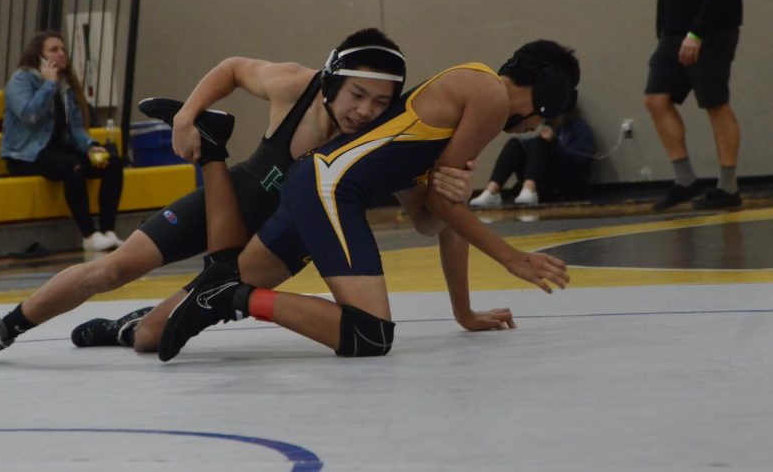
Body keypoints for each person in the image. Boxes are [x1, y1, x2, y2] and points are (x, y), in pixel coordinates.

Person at [0, 28, 476, 367]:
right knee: (114, 267)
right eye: (358, 95)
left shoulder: (382, 142)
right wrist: (189, 115)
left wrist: (443, 193)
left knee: (152, 340)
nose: (365, 111)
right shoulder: (296, 85)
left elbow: (427, 225)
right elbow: (234, 68)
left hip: (275, 247)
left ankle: (131, 324)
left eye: (381, 103)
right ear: (332, 80)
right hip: (234, 197)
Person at [148, 39, 579, 362]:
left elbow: (437, 220)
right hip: (328, 188)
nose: (534, 128)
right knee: (369, 334)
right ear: (548, 95)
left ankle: (139, 324)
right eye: (547, 115)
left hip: (316, 185)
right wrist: (511, 258)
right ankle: (233, 297)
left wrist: (463, 312)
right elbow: (446, 210)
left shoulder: (463, 101)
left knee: (166, 323)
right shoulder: (491, 96)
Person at [645, 0, 742, 211]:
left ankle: (728, 188)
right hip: (673, 34)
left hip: (712, 31)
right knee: (656, 100)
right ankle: (685, 180)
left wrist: (697, 33)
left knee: (714, 103)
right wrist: (664, 32)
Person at [0, 31, 124, 252]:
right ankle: (88, 234)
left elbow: (75, 127)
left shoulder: (65, 85)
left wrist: (90, 146)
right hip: (25, 154)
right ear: (39, 55)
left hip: (56, 149)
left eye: (63, 49)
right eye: (53, 50)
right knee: (73, 168)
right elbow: (29, 115)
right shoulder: (21, 80)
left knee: (112, 162)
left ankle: (107, 230)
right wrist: (48, 85)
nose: (61, 54)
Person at [469, 108, 595, 207]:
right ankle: (492, 191)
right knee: (516, 144)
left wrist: (554, 143)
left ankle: (529, 189)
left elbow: (583, 158)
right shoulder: (550, 127)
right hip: (548, 180)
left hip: (570, 182)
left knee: (540, 143)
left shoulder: (579, 128)